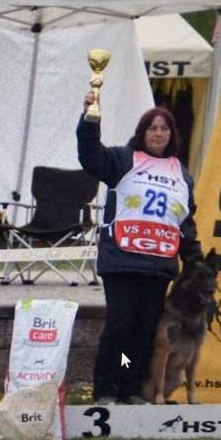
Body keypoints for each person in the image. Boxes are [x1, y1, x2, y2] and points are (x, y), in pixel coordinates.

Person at [76, 91, 201, 405]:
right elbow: (90, 156)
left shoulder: (182, 175)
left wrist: (196, 262)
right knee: (120, 328)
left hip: (159, 266)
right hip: (123, 261)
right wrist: (89, 121)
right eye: (152, 128)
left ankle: (131, 387)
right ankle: (107, 388)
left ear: (172, 134)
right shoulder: (123, 160)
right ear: (142, 132)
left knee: (144, 333)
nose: (158, 133)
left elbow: (185, 223)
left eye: (164, 128)